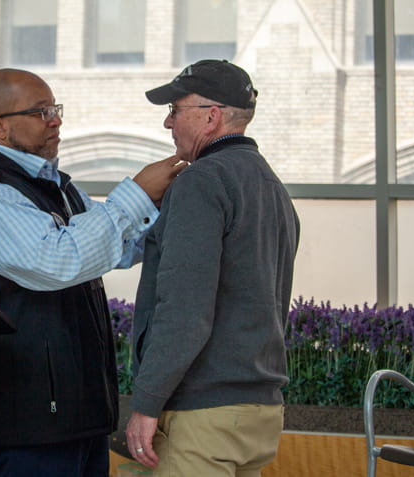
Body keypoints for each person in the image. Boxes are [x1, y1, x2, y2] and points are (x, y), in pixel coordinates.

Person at [0, 68, 186, 477]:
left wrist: (181, 205)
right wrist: (137, 194)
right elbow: (59, 262)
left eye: (55, 109)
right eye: (40, 112)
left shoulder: (56, 187)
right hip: (28, 423)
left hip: (74, 416)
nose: (56, 120)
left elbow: (120, 246)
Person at [124, 59, 300, 477]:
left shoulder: (201, 182)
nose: (168, 123)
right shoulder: (273, 188)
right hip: (259, 412)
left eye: (175, 110)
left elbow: (184, 310)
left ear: (211, 116)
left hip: (205, 415)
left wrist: (145, 404)